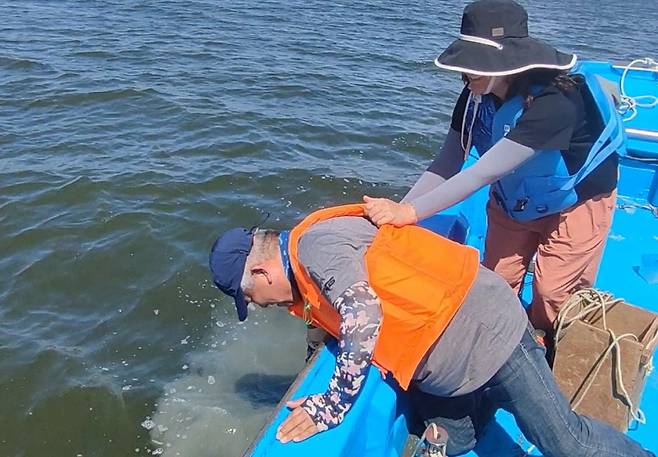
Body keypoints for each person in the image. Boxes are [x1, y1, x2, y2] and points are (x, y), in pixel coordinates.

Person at [208, 204, 652, 456]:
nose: (259, 306)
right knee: (447, 440)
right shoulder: (305, 261)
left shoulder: (315, 247)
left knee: (566, 442)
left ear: (262, 272)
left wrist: (330, 406)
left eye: (251, 297)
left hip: (490, 338)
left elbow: (363, 314)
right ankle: (475, 413)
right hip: (446, 362)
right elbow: (330, 311)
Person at [362, 0, 621, 344]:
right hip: (516, 196)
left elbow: (482, 172)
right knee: (496, 282)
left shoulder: (556, 101)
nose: (466, 73)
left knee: (552, 294)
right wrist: (396, 211)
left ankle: (550, 342)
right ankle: (506, 342)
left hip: (575, 198)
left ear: (509, 63)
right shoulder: (474, 94)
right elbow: (448, 161)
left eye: (476, 64)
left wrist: (409, 213)